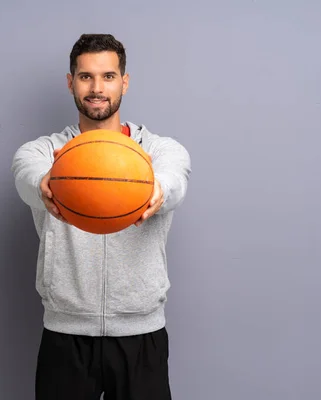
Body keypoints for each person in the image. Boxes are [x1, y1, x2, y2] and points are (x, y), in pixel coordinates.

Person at [11, 33, 191, 400]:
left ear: (124, 81)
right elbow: (26, 178)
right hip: (66, 334)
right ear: (70, 82)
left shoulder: (158, 151)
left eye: (108, 76)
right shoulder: (45, 153)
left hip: (142, 333)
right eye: (85, 76)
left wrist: (155, 191)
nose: (97, 88)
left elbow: (174, 180)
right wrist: (49, 184)